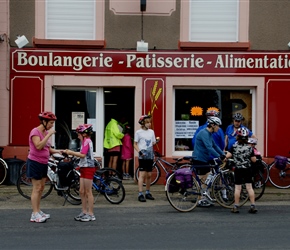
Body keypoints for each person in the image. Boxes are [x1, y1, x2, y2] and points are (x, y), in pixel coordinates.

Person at [27, 111, 62, 223]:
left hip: (43, 162)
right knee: (36, 188)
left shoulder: (45, 132)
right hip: (35, 162)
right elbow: (38, 146)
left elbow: (48, 149)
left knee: (41, 188)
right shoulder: (35, 132)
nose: (52, 125)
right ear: (44, 121)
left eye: (53, 123)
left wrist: (59, 151)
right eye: (51, 123)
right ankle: (34, 213)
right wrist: (49, 134)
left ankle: (38, 210)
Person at [192, 116, 226, 206]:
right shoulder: (204, 133)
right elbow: (209, 147)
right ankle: (200, 199)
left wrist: (223, 155)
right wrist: (219, 156)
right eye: (218, 126)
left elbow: (215, 146)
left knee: (206, 178)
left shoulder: (209, 134)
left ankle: (203, 198)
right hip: (199, 159)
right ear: (212, 125)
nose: (219, 128)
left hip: (204, 159)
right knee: (203, 179)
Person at [65, 124, 96, 222]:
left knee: (88, 191)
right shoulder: (83, 142)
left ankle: (91, 214)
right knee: (81, 191)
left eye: (79, 134)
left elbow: (82, 155)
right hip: (83, 167)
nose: (77, 135)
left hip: (88, 168)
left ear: (84, 134)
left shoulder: (87, 141)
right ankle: (84, 211)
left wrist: (71, 152)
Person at [225, 127, 257, 214]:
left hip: (238, 169)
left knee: (238, 188)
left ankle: (236, 206)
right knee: (249, 187)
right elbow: (253, 160)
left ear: (237, 137)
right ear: (247, 138)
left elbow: (228, 155)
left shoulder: (234, 146)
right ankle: (253, 205)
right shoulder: (249, 148)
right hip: (248, 169)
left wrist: (225, 157)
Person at [134, 115, 158, 202]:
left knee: (149, 175)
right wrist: (139, 151)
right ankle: (140, 193)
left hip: (150, 155)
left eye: (150, 122)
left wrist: (156, 141)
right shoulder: (138, 132)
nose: (149, 124)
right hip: (143, 155)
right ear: (143, 123)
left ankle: (148, 192)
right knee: (142, 175)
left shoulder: (151, 132)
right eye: (147, 122)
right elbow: (135, 144)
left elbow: (153, 142)